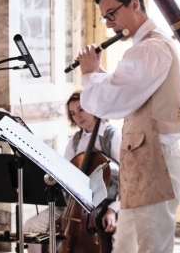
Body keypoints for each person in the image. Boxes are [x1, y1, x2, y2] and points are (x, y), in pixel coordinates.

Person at [76, 0, 180, 253]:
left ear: (135, 4)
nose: (108, 24)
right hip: (143, 161)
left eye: (111, 14)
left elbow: (110, 101)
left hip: (156, 162)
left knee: (152, 246)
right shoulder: (145, 48)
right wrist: (99, 76)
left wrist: (90, 74)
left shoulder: (150, 48)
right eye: (104, 17)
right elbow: (123, 90)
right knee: (127, 244)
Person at [23, 91, 121, 252]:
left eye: (81, 109)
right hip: (73, 204)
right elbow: (64, 175)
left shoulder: (113, 135)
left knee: (121, 240)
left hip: (108, 204)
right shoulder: (75, 141)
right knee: (31, 226)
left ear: (93, 107)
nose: (77, 116)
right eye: (73, 113)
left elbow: (127, 178)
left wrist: (113, 210)